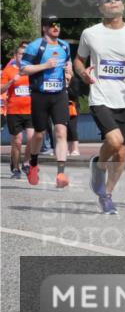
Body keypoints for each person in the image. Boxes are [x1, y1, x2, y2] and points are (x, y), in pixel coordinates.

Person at [74, 0, 125, 213]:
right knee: (115, 141)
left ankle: (106, 194)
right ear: (101, 8)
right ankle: (99, 167)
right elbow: (78, 60)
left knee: (121, 153)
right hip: (100, 96)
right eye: (107, 0)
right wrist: (83, 73)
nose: (113, 2)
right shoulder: (90, 34)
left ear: (123, 6)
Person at [20, 16, 73, 187]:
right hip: (40, 95)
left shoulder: (64, 45)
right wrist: (45, 66)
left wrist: (69, 72)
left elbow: (68, 63)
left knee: (61, 131)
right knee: (39, 134)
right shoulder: (35, 46)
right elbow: (23, 69)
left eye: (58, 25)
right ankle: (33, 164)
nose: (56, 28)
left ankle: (61, 174)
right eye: (52, 25)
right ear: (44, 28)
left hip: (59, 94)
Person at [2, 41, 33, 178]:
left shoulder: (32, 70)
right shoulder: (8, 70)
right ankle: (15, 168)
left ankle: (26, 163)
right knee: (17, 141)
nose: (23, 56)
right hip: (14, 110)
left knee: (32, 138)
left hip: (31, 110)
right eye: (21, 54)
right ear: (15, 56)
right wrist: (11, 81)